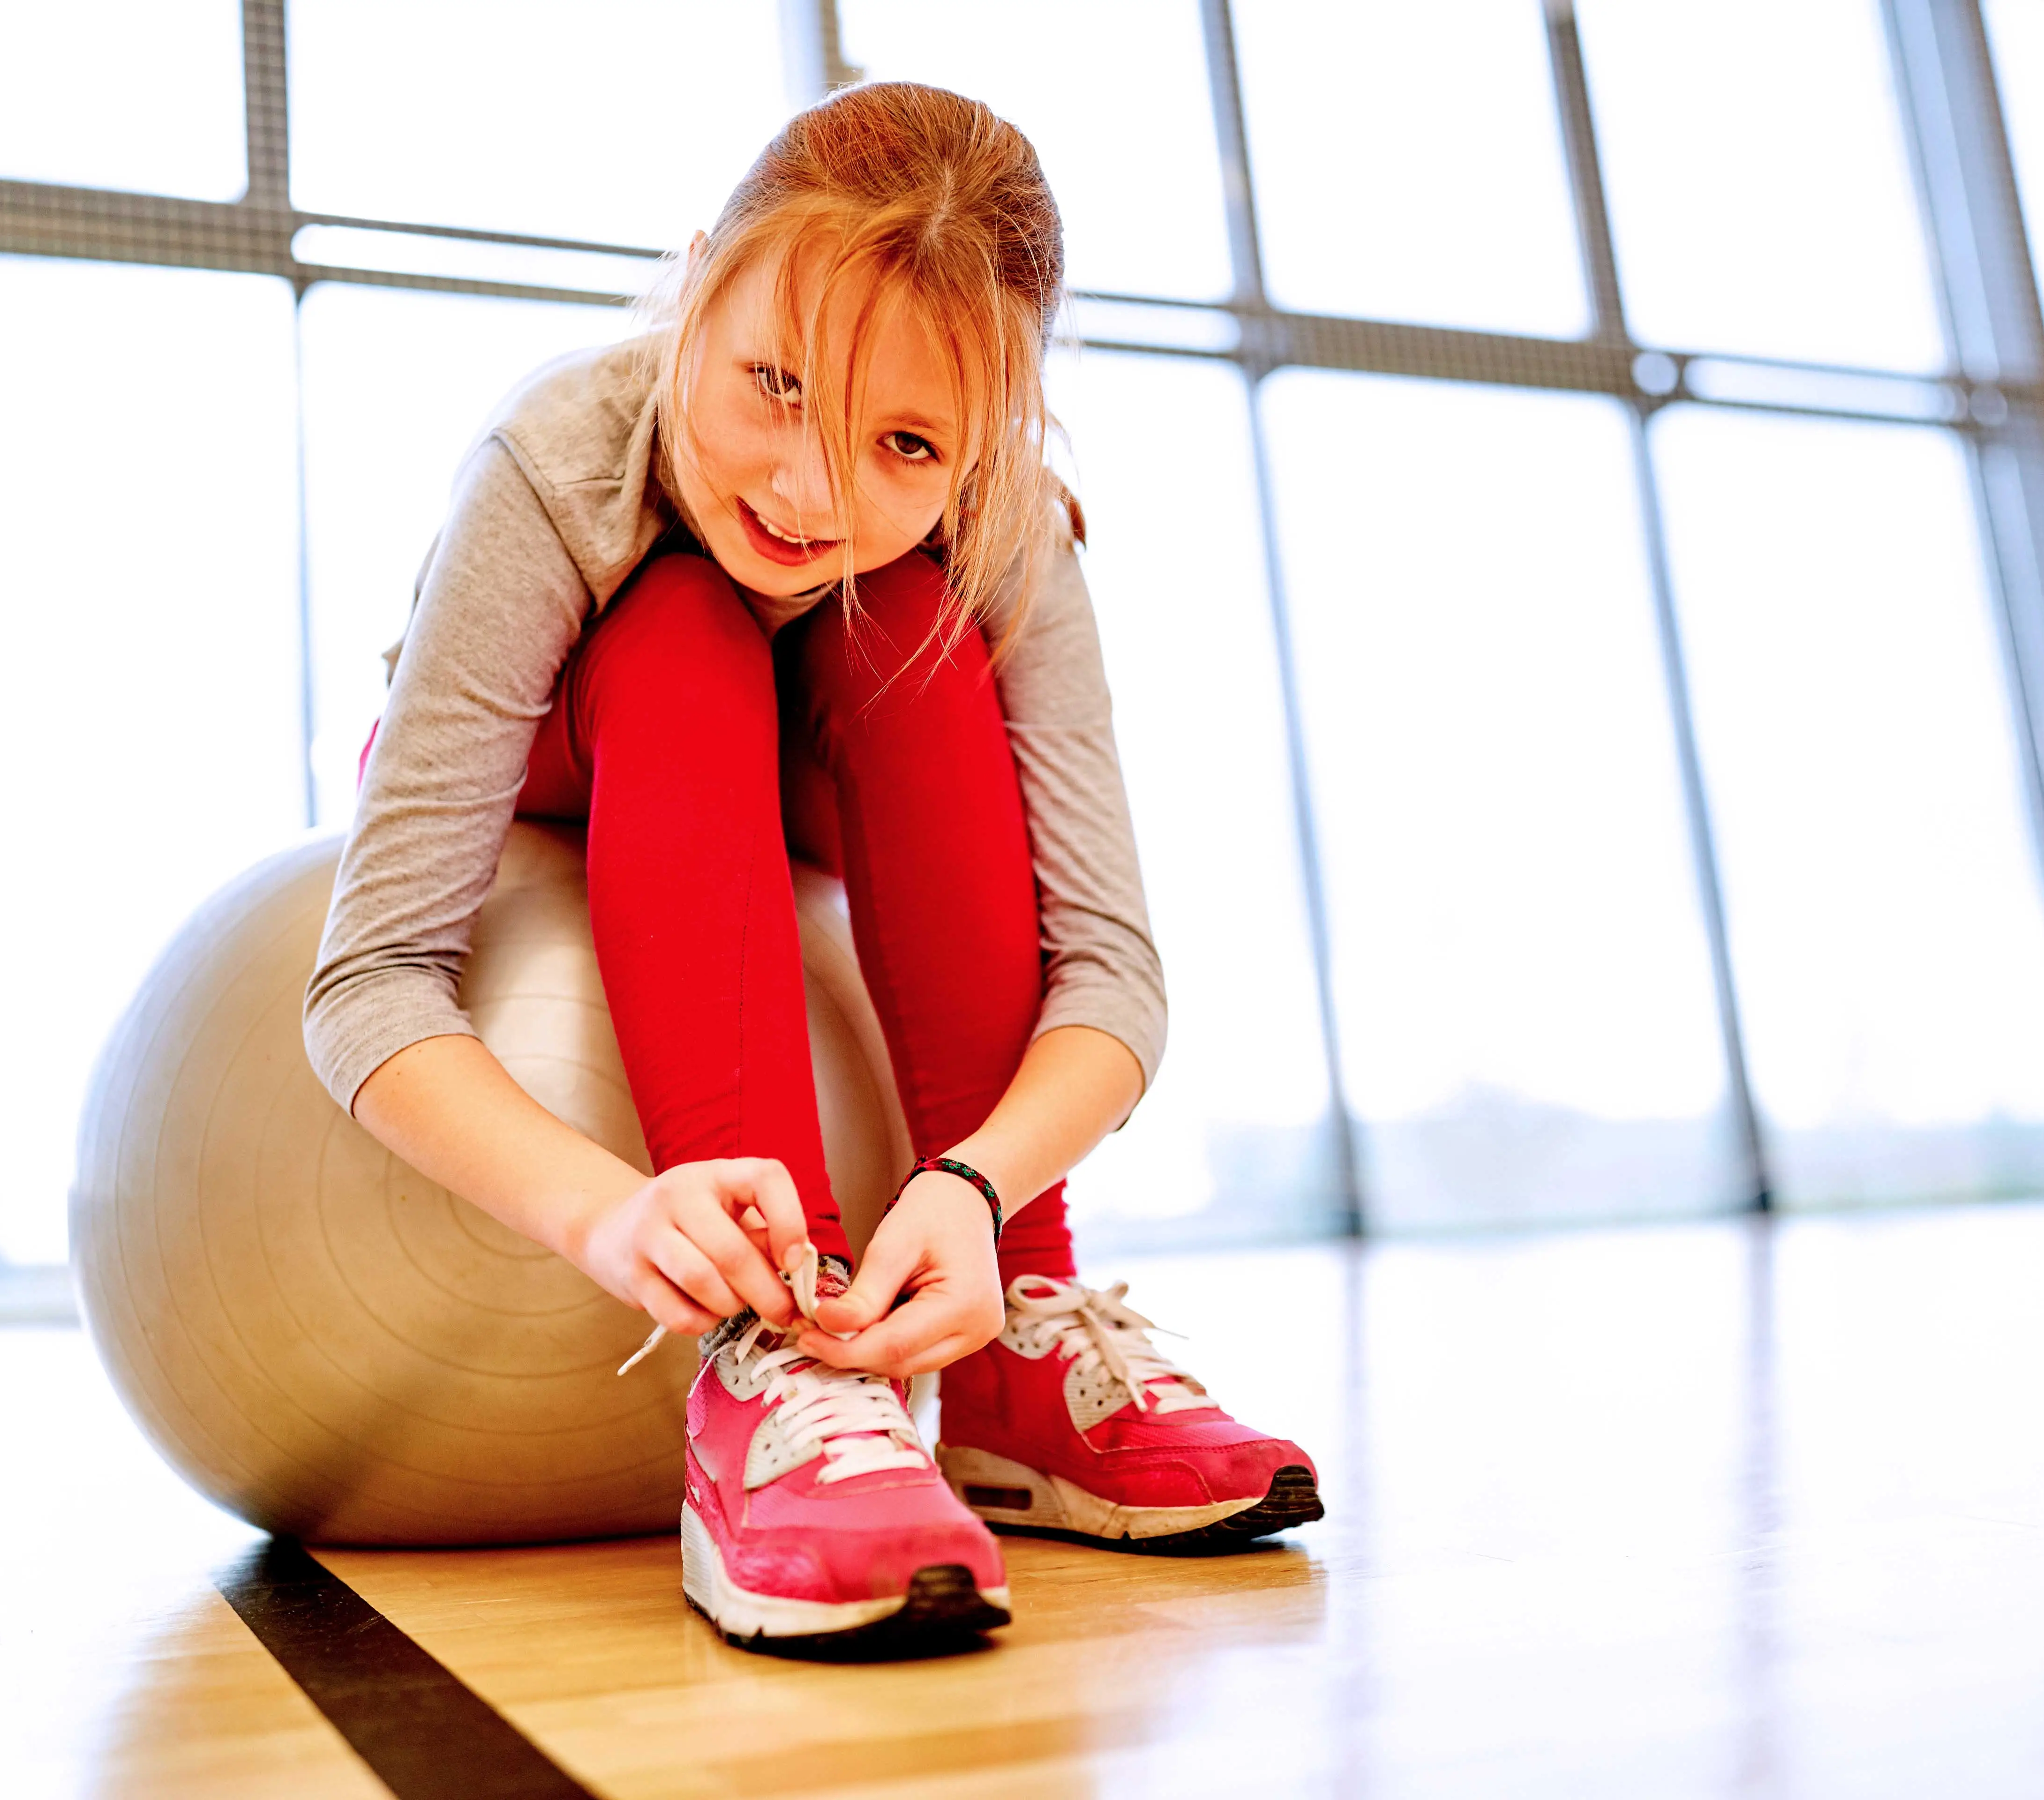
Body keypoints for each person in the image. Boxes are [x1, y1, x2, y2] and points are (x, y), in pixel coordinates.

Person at [305, 81, 1319, 1656]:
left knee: (907, 626)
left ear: (991, 435)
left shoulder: (1004, 531)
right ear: (699, 279)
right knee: (690, 624)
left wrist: (982, 1195)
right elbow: (368, 982)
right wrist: (601, 1216)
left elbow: (1114, 972)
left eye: (905, 441)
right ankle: (774, 1356)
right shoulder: (559, 453)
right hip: (568, 763)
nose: (809, 492)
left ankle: (1009, 1353)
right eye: (773, 382)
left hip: (807, 790)